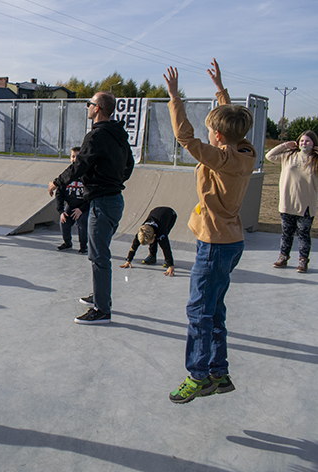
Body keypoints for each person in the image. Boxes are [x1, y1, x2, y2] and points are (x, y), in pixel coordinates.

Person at [164, 58, 256, 404]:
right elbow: (231, 124)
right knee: (215, 309)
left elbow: (185, 136)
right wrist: (221, 90)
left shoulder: (221, 158)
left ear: (218, 136)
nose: (210, 135)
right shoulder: (242, 151)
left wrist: (175, 97)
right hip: (231, 242)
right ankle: (220, 372)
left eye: (213, 132)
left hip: (215, 244)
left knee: (199, 311)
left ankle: (199, 376)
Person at [49, 92, 134, 325]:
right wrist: (116, 181)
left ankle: (102, 309)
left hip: (102, 202)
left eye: (89, 104)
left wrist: (57, 182)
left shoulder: (95, 136)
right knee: (100, 252)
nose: (87, 107)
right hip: (114, 199)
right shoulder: (119, 135)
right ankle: (99, 295)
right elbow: (130, 164)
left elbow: (79, 165)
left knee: (98, 256)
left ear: (97, 109)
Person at [265, 130, 318, 273]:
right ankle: (283, 257)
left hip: (306, 204)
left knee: (303, 234)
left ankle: (303, 261)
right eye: (301, 141)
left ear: (314, 143)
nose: (304, 143)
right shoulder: (288, 156)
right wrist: (285, 145)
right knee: (286, 233)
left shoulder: (315, 160)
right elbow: (269, 156)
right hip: (288, 202)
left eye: (307, 141)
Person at [119, 206, 177, 276]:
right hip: (155, 212)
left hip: (170, 214)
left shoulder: (161, 232)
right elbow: (134, 247)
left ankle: (166, 259)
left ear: (154, 235)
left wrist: (170, 265)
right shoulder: (141, 233)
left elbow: (166, 248)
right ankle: (152, 257)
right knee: (152, 239)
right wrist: (128, 261)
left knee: (162, 241)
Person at [55, 147, 89, 254]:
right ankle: (67, 242)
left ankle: (83, 246)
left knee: (82, 222)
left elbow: (92, 195)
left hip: (84, 206)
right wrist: (61, 211)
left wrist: (81, 209)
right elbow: (59, 193)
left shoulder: (87, 175)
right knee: (64, 220)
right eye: (73, 156)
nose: (75, 159)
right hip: (71, 205)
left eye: (77, 157)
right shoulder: (67, 175)